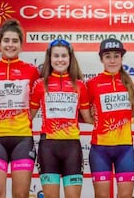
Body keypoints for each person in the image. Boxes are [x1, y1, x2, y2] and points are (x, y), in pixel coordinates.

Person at [0, 19, 39, 197]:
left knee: (21, 195)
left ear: (21, 45)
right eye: (6, 40)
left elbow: (36, 103)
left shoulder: (31, 71)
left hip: (22, 137)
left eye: (15, 41)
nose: (10, 45)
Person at [30, 39, 93, 198]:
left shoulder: (80, 85)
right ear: (49, 58)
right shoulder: (40, 84)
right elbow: (28, 116)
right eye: (56, 56)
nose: (60, 60)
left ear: (70, 59)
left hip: (72, 147)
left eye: (64, 56)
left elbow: (88, 118)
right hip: (48, 147)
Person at [86, 38, 134, 198]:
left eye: (116, 56)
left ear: (122, 58)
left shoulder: (129, 82)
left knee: (126, 195)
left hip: (125, 148)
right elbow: (83, 112)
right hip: (100, 149)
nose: (112, 60)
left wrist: (120, 121)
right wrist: (98, 122)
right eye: (108, 56)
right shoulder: (93, 83)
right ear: (101, 59)